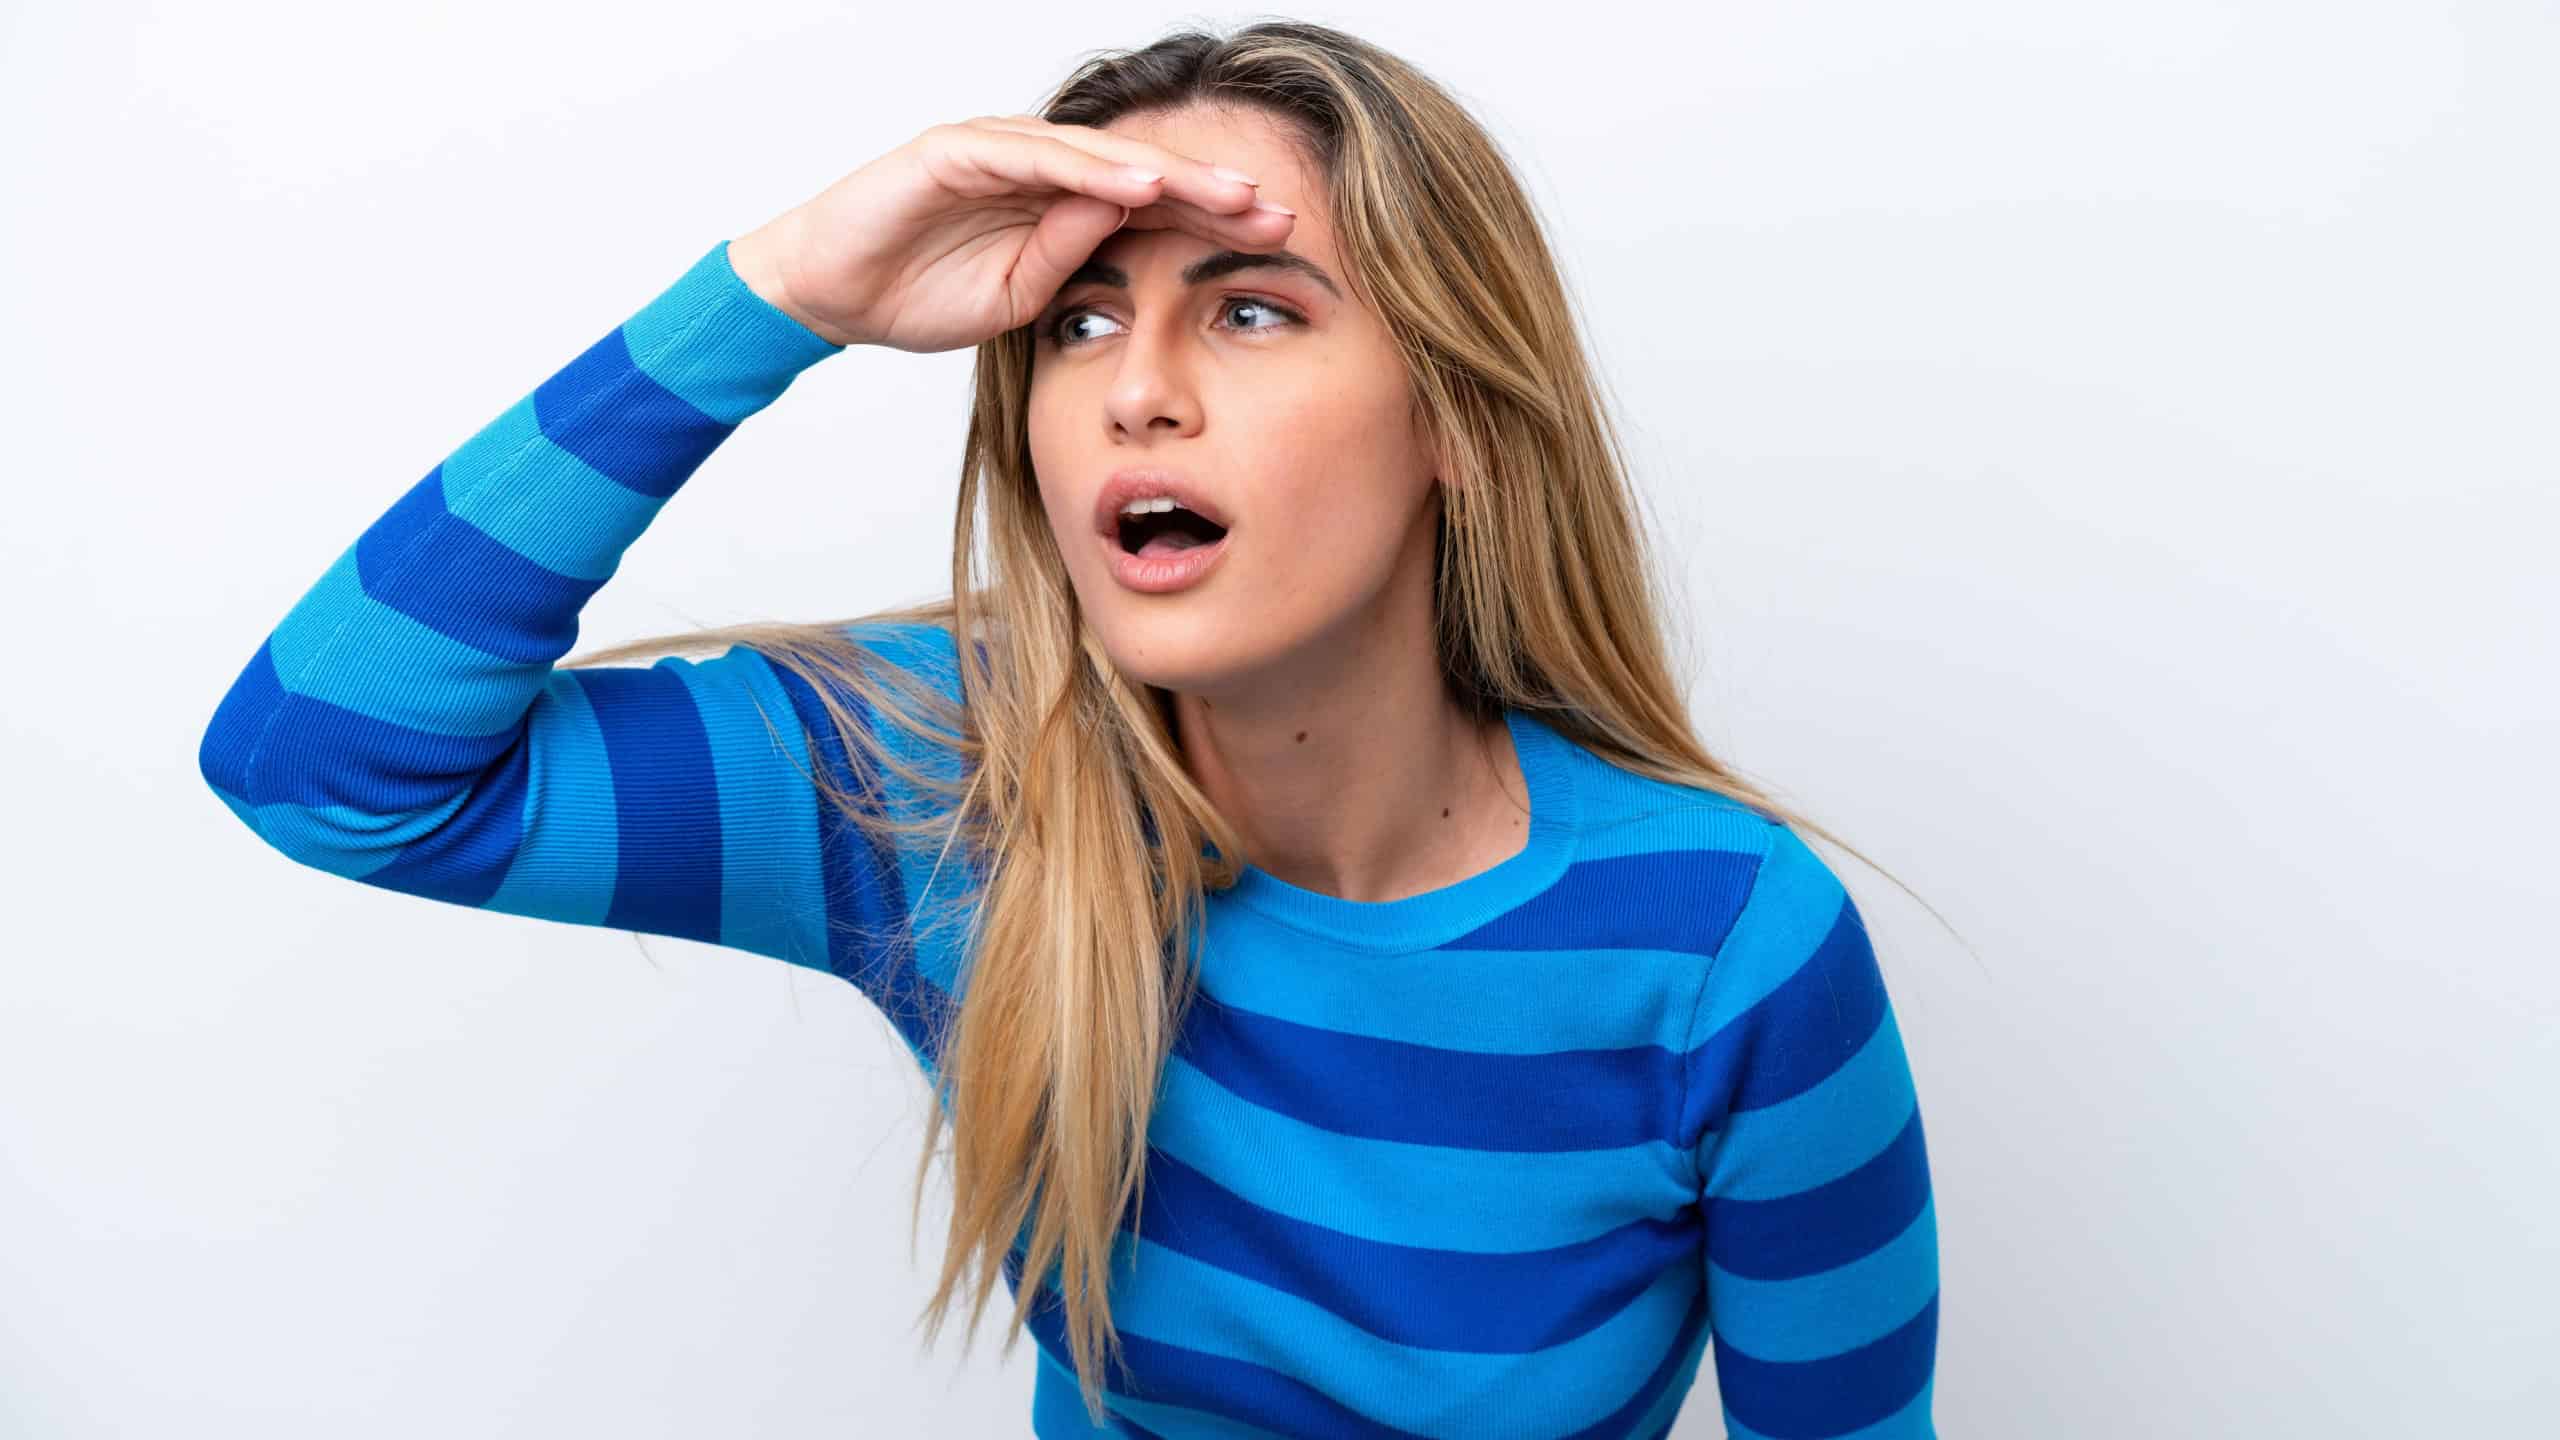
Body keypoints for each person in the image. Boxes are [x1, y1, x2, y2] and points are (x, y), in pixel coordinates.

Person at [199, 20, 1941, 1439]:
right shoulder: (943, 787)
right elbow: (322, 763)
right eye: (1083, 320)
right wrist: (784, 292)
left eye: (1251, 309)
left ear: (1460, 429)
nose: (1133, 386)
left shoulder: (1726, 946)